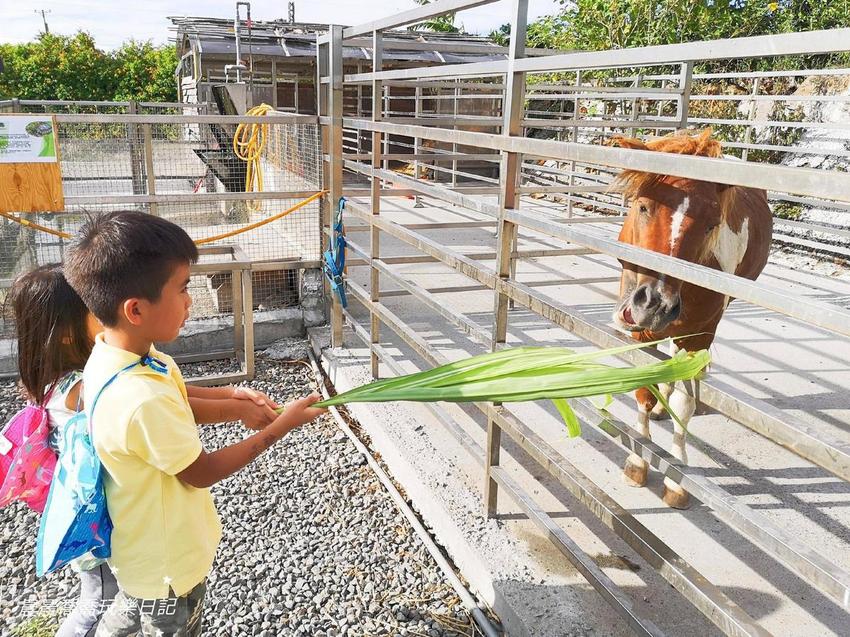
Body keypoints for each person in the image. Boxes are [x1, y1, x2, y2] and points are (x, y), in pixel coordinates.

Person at [64, 210, 325, 636]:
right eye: (183, 288)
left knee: (131, 607)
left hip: (140, 551)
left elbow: (179, 395)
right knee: (166, 622)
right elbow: (201, 471)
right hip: (168, 570)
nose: (190, 300)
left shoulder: (120, 355)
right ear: (135, 309)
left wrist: (234, 400)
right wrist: (279, 428)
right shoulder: (139, 399)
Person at [6, 263, 284, 636]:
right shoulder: (84, 387)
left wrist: (232, 396)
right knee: (99, 603)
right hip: (98, 528)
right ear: (68, 334)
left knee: (130, 600)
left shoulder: (102, 358)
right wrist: (254, 415)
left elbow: (167, 389)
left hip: (123, 524)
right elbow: (161, 404)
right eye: (95, 305)